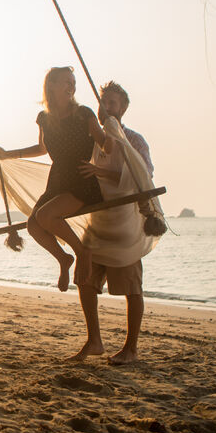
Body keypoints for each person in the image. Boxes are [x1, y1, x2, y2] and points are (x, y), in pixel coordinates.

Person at [0, 66, 112, 293]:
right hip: (57, 179)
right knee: (34, 225)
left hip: (81, 180)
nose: (71, 86)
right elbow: (42, 148)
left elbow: (106, 143)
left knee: (46, 215)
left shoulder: (83, 114)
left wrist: (109, 128)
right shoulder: (45, 119)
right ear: (52, 86)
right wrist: (8, 154)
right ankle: (63, 259)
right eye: (67, 82)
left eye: (73, 83)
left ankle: (81, 251)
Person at [71, 80, 154, 365]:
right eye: (103, 101)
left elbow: (142, 176)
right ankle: (94, 341)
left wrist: (99, 171)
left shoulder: (134, 139)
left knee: (132, 287)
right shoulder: (89, 136)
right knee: (85, 280)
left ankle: (131, 349)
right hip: (98, 221)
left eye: (112, 103)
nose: (106, 107)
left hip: (124, 225)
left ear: (123, 109)